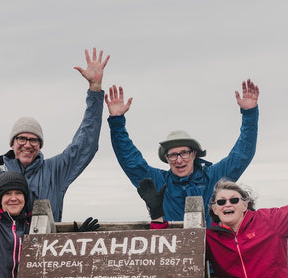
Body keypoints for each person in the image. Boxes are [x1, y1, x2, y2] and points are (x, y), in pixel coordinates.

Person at [0, 47, 109, 251]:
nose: (27, 144)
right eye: (21, 138)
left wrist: (95, 91)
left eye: (34, 140)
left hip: (43, 261)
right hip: (1, 261)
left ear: (40, 145)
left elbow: (85, 145)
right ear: (12, 143)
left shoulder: (55, 171)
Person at [105, 79, 259, 226]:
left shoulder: (214, 178)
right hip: (173, 252)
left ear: (194, 154)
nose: (179, 160)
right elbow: (130, 160)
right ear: (166, 158)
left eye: (184, 153)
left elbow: (242, 155)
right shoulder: (158, 182)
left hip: (212, 251)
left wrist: (249, 114)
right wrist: (117, 122)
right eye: (173, 155)